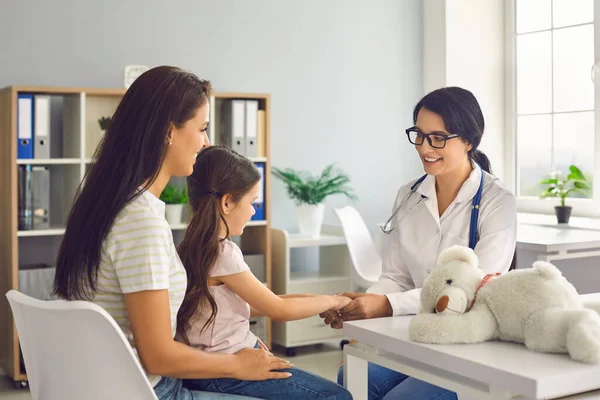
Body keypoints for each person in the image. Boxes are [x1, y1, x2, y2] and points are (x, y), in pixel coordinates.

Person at [53, 66, 290, 400]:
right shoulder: (140, 222)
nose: (206, 141)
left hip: (106, 382)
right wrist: (237, 364)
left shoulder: (105, 204)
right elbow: (158, 356)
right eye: (202, 128)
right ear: (169, 132)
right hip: (150, 390)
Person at [322, 86, 517, 400]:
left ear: (468, 140)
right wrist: (362, 307)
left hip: (470, 343)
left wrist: (386, 305)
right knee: (353, 375)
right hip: (418, 333)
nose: (425, 147)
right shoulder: (409, 195)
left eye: (438, 137)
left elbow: (471, 289)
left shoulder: (497, 202)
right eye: (419, 135)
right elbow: (395, 276)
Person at [176, 145, 353, 400]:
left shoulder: (190, 247)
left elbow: (265, 301)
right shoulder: (223, 253)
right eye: (252, 202)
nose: (253, 210)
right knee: (337, 397)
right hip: (223, 374)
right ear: (227, 202)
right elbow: (279, 310)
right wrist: (336, 300)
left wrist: (317, 303)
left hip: (210, 369)